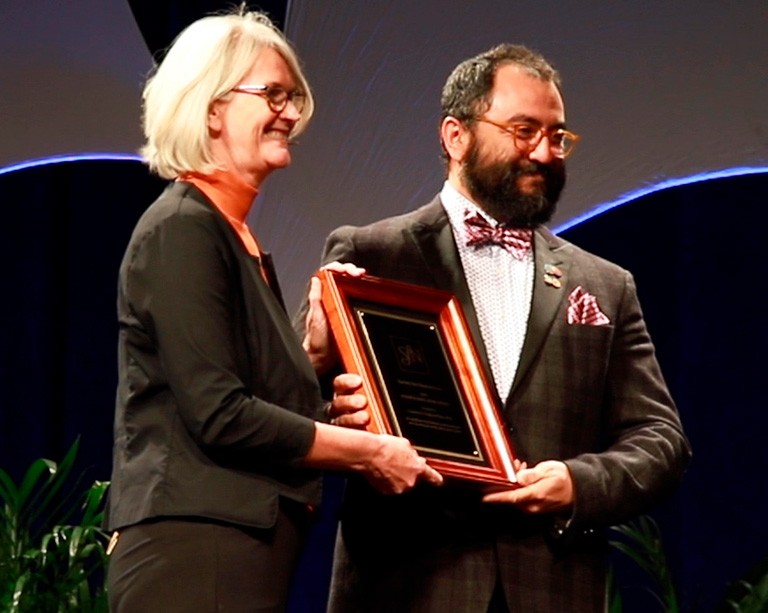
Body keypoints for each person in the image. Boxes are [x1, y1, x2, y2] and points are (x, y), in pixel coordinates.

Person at [300, 44, 691, 612]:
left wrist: (578, 482)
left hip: (552, 587)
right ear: (455, 136)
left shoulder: (605, 285)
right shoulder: (371, 254)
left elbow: (661, 441)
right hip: (406, 585)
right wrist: (339, 414)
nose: (544, 152)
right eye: (523, 129)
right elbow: (287, 405)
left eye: (557, 136)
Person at [104, 9, 441, 613]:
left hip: (235, 547)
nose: (290, 114)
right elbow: (221, 414)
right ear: (211, 108)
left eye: (294, 97)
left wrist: (312, 355)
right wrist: (369, 450)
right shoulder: (182, 229)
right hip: (194, 550)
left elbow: (245, 394)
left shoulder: (235, 238)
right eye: (273, 95)